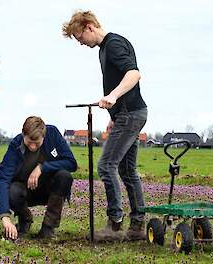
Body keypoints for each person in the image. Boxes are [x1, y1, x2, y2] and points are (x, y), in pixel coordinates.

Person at [63, 11, 148, 241]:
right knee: (127, 170)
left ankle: (115, 222)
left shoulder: (114, 44)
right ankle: (138, 225)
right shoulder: (104, 48)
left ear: (89, 27)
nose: (81, 43)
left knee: (106, 165)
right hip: (127, 113)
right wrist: (114, 111)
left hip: (131, 113)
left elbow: (134, 74)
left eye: (80, 37)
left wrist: (112, 96)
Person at [0, 116, 77, 240]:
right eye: (29, 142)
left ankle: (48, 228)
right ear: (23, 135)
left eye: (37, 143)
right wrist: (5, 216)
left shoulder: (53, 134)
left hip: (49, 189)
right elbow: (3, 179)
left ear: (44, 136)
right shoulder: (15, 145)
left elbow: (71, 163)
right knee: (12, 191)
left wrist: (42, 167)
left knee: (64, 176)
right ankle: (25, 219)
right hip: (25, 190)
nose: (32, 146)